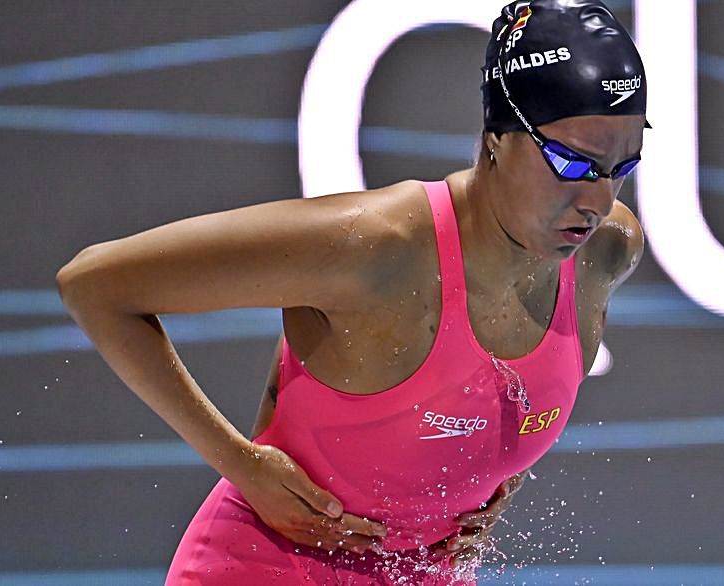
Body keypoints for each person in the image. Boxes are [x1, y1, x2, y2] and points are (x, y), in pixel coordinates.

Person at [55, 1, 648, 583]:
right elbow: (96, 284)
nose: (597, 201)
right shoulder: (374, 247)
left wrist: (491, 481)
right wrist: (240, 464)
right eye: (573, 164)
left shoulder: (604, 251)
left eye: (621, 168)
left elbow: (469, 415)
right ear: (498, 135)